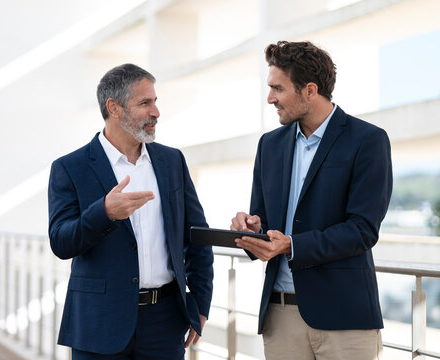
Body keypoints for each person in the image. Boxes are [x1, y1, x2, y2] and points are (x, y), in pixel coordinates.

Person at [231, 41, 392, 360]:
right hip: (280, 316)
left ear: (309, 90)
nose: (270, 98)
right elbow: (264, 218)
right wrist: (253, 228)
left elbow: (362, 230)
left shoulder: (368, 140)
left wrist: (292, 245)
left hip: (345, 319)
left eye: (278, 88)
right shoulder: (269, 145)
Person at [48, 63, 213, 360]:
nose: (156, 112)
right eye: (145, 103)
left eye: (155, 102)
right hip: (99, 324)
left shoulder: (172, 161)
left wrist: (200, 305)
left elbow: (197, 238)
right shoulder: (70, 168)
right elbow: (61, 242)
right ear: (115, 107)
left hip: (165, 322)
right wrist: (104, 213)